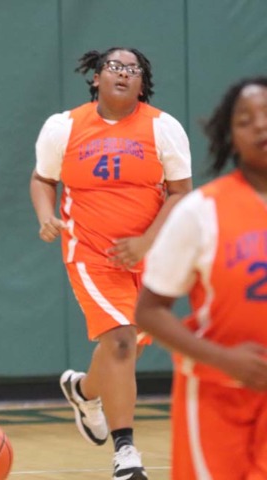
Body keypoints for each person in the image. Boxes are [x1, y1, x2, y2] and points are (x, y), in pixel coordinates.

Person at [29, 47, 192, 479]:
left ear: (142, 83)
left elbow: (181, 192)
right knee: (120, 341)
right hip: (90, 255)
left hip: (148, 257)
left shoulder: (163, 127)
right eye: (114, 67)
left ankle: (84, 391)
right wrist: (45, 215)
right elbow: (43, 179)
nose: (123, 73)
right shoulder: (64, 127)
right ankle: (126, 452)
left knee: (125, 347)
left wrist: (146, 242)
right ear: (96, 77)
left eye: (132, 69)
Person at [135, 77, 267, 480]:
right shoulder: (200, 211)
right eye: (245, 120)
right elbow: (148, 312)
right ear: (230, 137)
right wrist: (224, 360)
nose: (260, 125)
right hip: (217, 397)